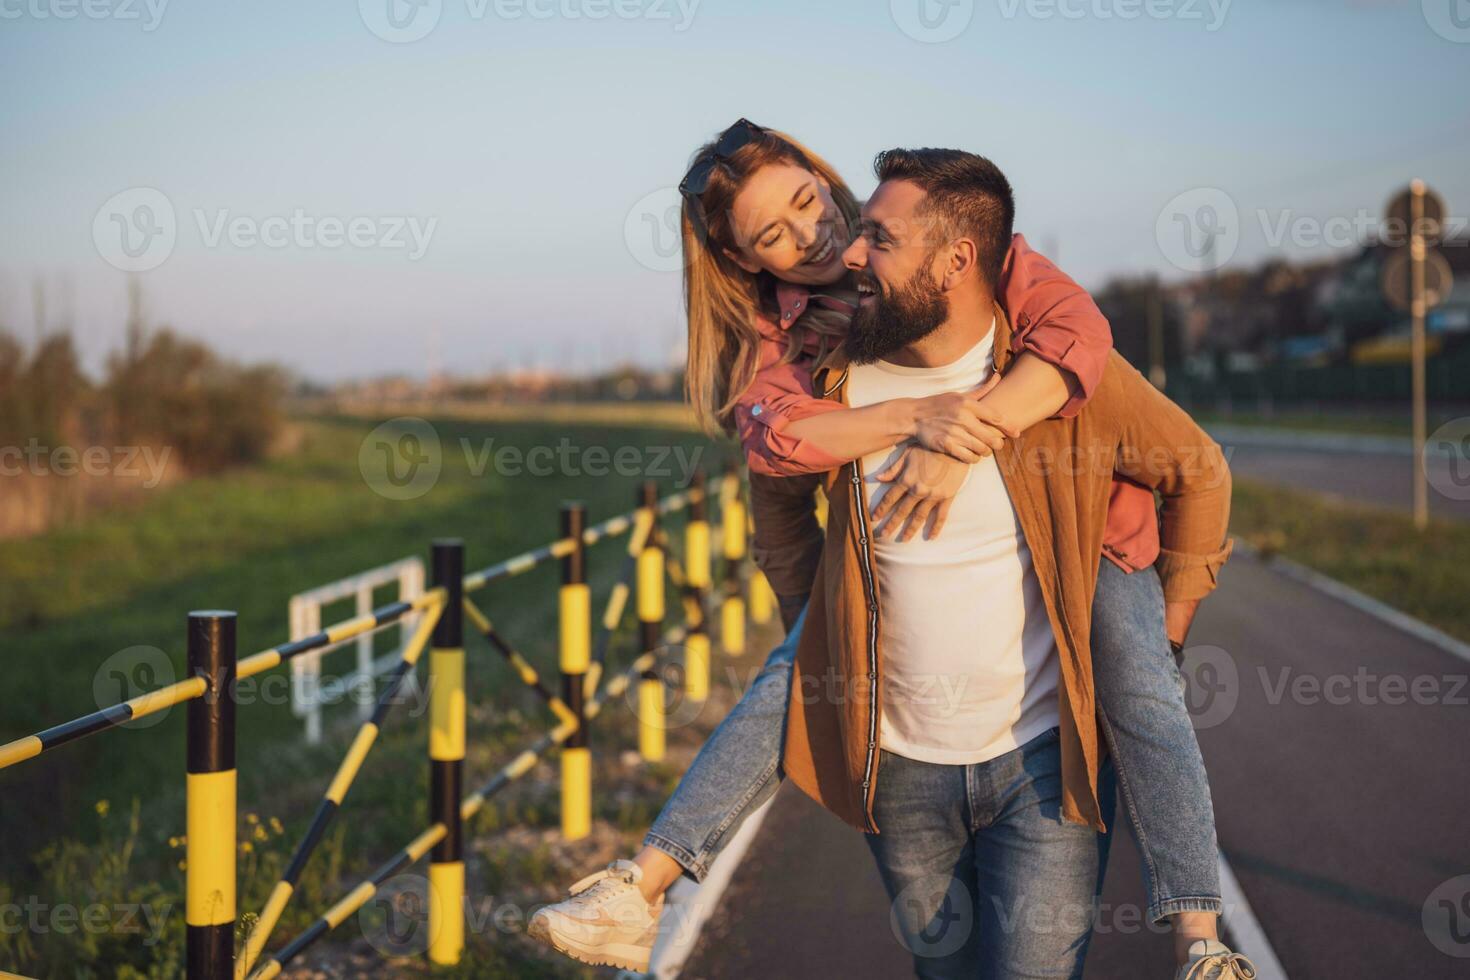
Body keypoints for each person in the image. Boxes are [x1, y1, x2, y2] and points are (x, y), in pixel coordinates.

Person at [529, 125, 1252, 979]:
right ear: (748, 263)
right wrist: (829, 639)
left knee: (1142, 680)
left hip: (1075, 641)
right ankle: (640, 886)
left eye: (813, 202)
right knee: (802, 670)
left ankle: (1201, 939)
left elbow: (1086, 341)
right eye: (775, 236)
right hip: (904, 765)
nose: (822, 237)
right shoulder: (802, 359)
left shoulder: (1027, 330)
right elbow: (774, 459)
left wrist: (967, 437)